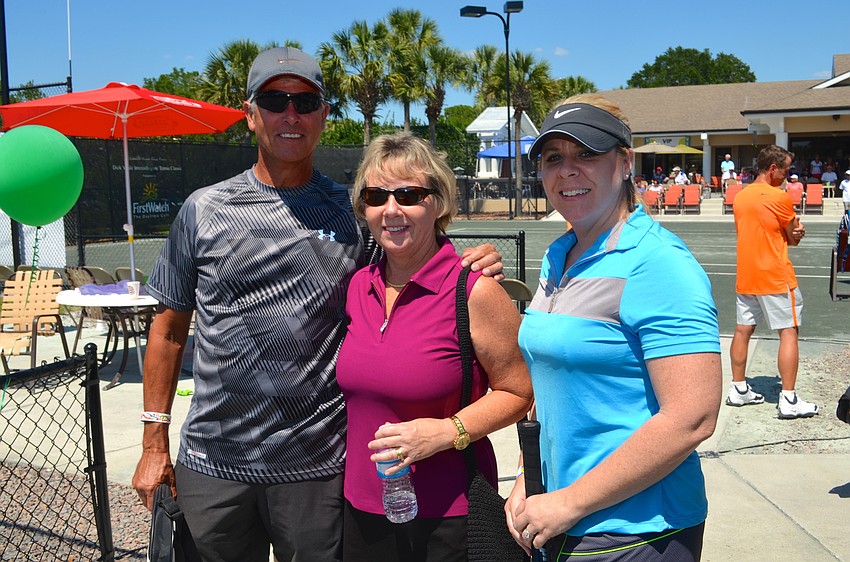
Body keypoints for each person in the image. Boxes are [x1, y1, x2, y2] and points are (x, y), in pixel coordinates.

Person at [130, 47, 501, 562]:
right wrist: (153, 443)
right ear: (250, 113)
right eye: (274, 100)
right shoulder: (203, 209)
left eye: (305, 102)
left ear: (323, 115)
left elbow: (412, 255)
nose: (291, 114)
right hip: (213, 464)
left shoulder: (354, 213)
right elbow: (168, 331)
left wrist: (473, 260)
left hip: (316, 470)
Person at [506, 93, 721, 561]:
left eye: (586, 154)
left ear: (624, 163)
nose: (567, 170)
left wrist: (570, 502)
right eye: (553, 158)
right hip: (558, 517)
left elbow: (692, 417)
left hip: (636, 531)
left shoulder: (658, 262)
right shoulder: (560, 255)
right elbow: (557, 382)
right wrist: (529, 474)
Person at [336, 132, 533, 561]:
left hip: (449, 515)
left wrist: (447, 431)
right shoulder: (358, 286)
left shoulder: (474, 290)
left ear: (439, 202)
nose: (391, 210)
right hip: (363, 511)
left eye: (409, 195)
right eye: (375, 196)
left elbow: (520, 391)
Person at [728, 144, 818, 419]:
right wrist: (798, 233)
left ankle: (738, 388)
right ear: (773, 169)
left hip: (747, 273)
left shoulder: (741, 196)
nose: (788, 175)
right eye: (786, 170)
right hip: (774, 275)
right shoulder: (779, 197)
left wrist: (791, 232)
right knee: (788, 332)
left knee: (743, 330)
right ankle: (789, 398)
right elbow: (792, 236)